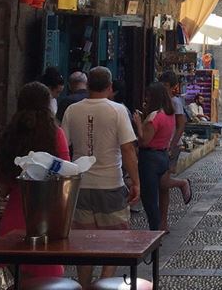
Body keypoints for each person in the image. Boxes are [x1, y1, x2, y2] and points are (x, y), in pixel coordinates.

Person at [61, 66, 140, 288]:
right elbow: (127, 150)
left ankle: (85, 285)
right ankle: (104, 284)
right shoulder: (117, 110)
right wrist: (136, 181)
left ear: (88, 86)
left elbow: (64, 146)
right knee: (114, 242)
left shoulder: (72, 110)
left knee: (84, 243)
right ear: (110, 86)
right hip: (110, 185)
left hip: (80, 185)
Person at [0, 82, 70, 284]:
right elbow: (66, 175)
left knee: (13, 282)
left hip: (13, 220)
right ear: (47, 105)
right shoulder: (56, 135)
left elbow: (1, 188)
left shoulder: (9, 136)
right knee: (46, 284)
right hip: (46, 221)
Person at [133, 83, 181, 230]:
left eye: (148, 96)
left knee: (150, 199)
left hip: (150, 158)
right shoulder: (169, 114)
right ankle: (160, 227)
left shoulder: (155, 116)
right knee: (159, 193)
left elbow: (144, 140)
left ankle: (155, 233)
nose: (146, 99)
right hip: (162, 156)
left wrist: (138, 124)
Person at [158, 71, 192, 232]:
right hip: (159, 145)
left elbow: (180, 125)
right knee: (162, 187)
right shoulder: (159, 101)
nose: (163, 89)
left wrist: (172, 145)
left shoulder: (175, 102)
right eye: (161, 85)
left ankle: (182, 183)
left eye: (166, 86)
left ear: (173, 87)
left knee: (163, 183)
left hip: (171, 145)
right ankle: (163, 223)